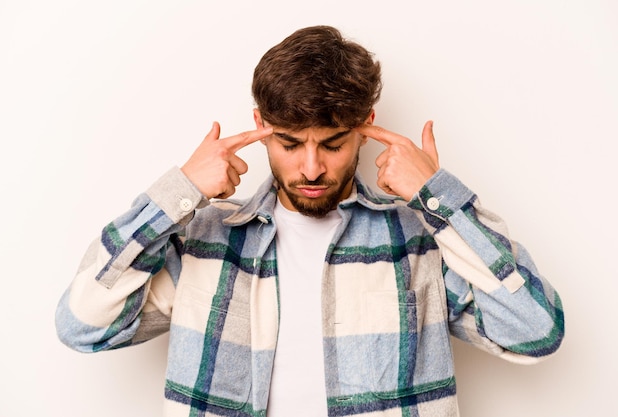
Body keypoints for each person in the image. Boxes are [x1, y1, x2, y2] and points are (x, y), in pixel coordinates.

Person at [55, 25, 564, 417]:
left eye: (334, 143)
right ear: (260, 126)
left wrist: (440, 200)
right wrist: (177, 194)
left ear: (366, 126)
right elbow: (82, 326)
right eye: (291, 143)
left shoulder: (421, 240)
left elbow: (536, 332)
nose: (313, 167)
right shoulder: (204, 241)